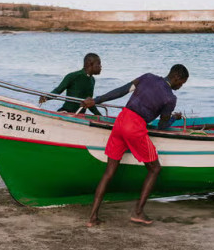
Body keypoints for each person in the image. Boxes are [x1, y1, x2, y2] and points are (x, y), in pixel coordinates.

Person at [80, 64, 190, 227]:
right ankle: (138, 212)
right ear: (177, 78)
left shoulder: (147, 77)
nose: (181, 86)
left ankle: (93, 217)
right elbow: (162, 126)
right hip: (135, 126)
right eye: (182, 83)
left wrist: (95, 100)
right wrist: (175, 118)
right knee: (155, 168)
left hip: (121, 119)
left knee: (109, 171)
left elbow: (121, 90)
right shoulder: (170, 98)